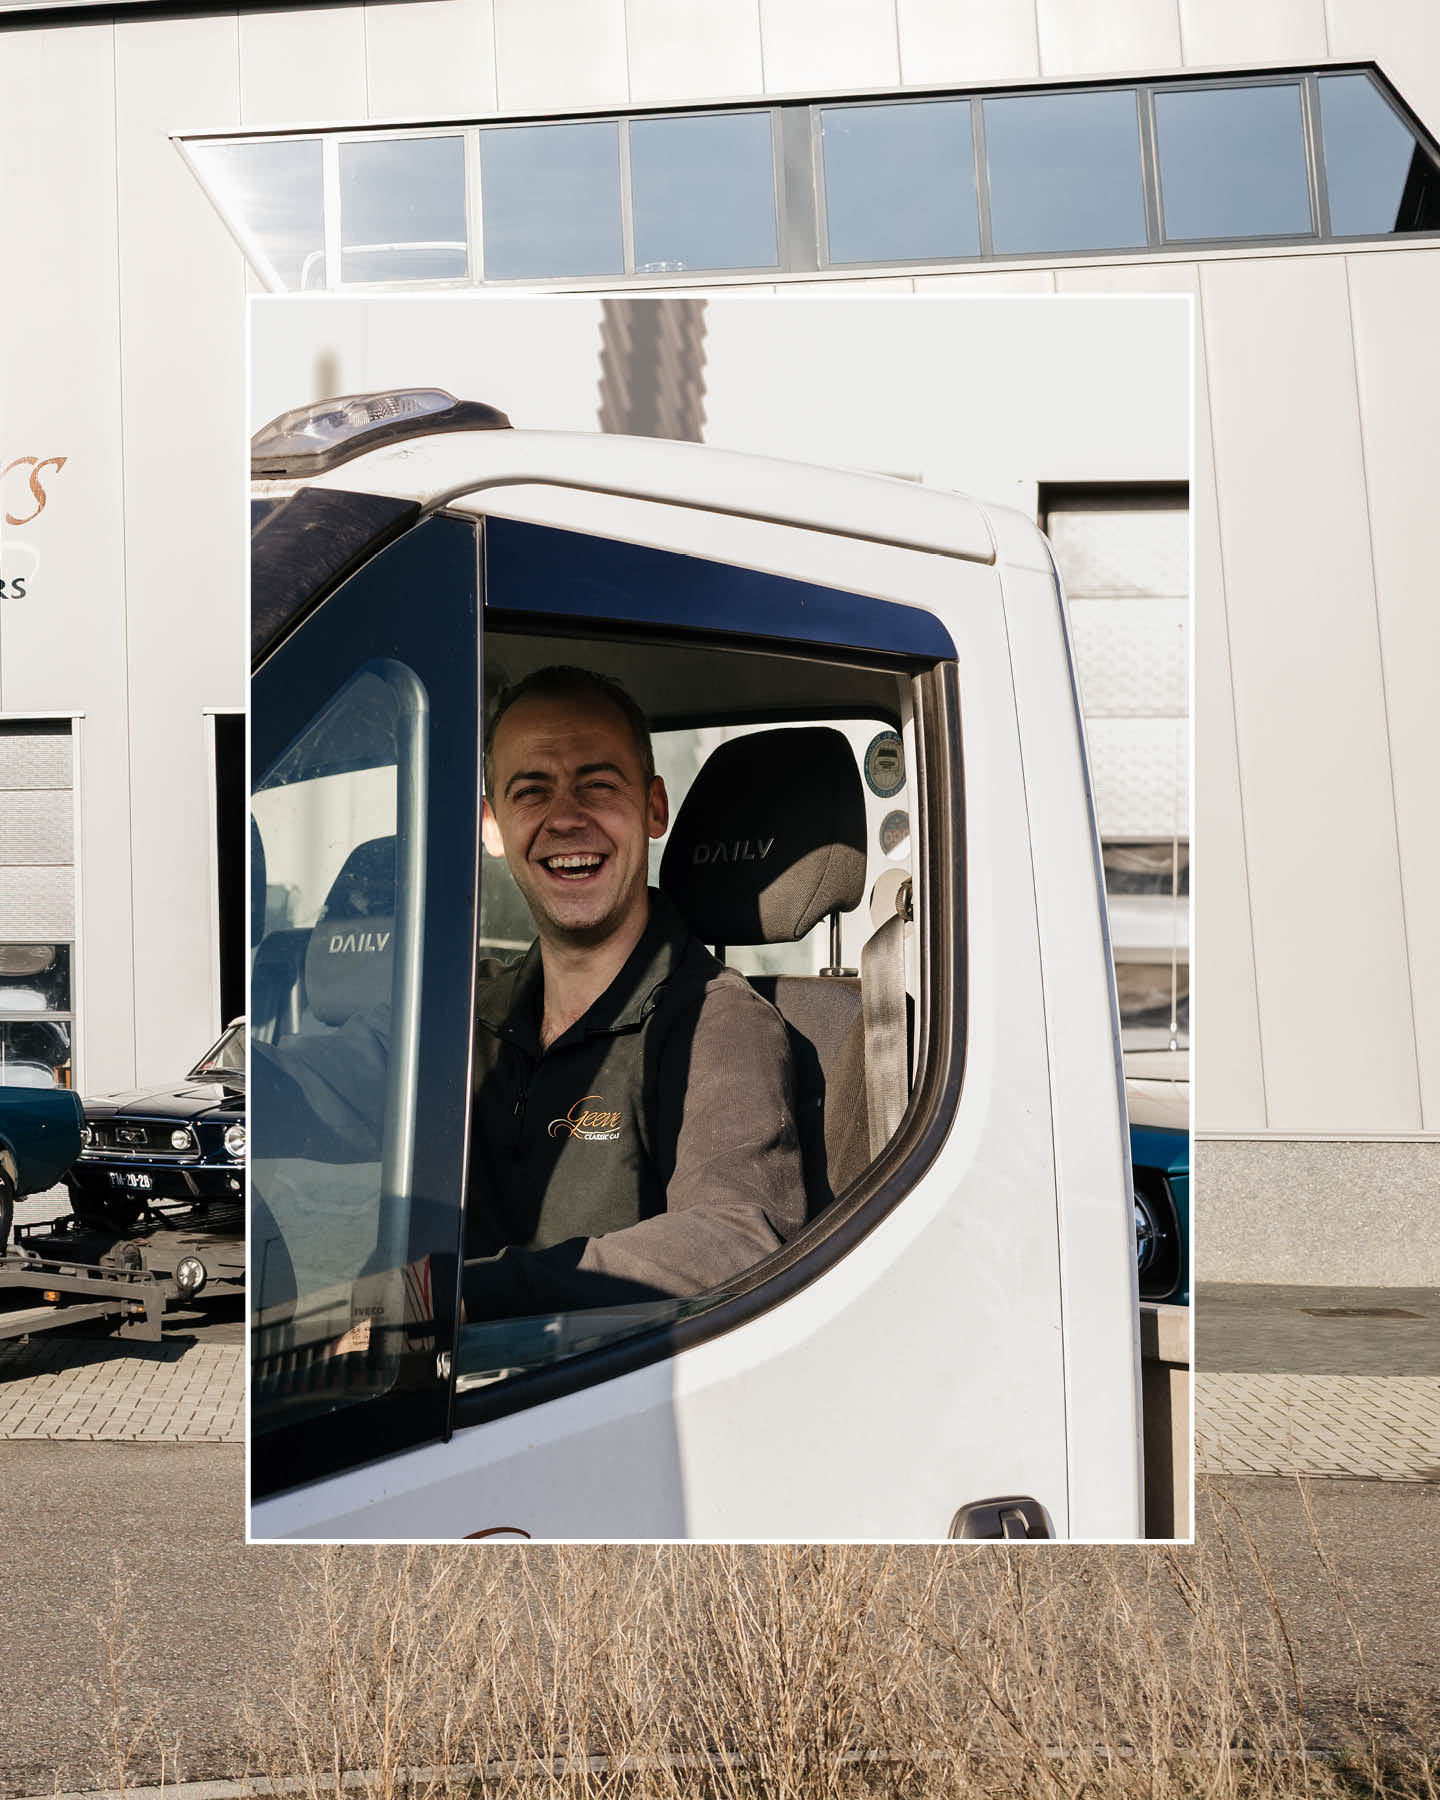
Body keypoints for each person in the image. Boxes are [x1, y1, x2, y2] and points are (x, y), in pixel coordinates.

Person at [460, 666, 805, 1320]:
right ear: (492, 826)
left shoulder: (716, 1022)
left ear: (654, 808)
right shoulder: (465, 1019)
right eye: (532, 791)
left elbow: (736, 1237)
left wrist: (460, 1296)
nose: (567, 818)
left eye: (598, 784)